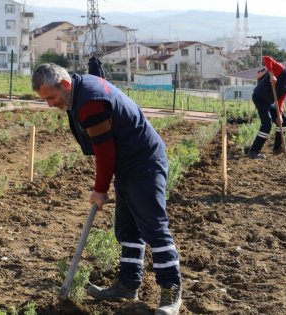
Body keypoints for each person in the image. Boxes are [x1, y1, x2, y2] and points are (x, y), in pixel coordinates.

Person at [32, 63, 182, 315]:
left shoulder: (90, 103)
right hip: (127, 162)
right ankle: (128, 283)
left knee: (154, 228)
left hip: (143, 161)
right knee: (127, 227)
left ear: (65, 85)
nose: (49, 104)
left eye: (51, 97)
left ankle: (171, 292)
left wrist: (100, 188)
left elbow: (105, 151)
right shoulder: (79, 89)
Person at [247, 55, 286, 159]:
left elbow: (281, 101)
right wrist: (271, 75)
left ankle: (277, 148)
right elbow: (266, 58)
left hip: (269, 102)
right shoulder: (280, 69)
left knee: (282, 120)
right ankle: (253, 151)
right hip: (259, 97)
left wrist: (279, 114)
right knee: (267, 123)